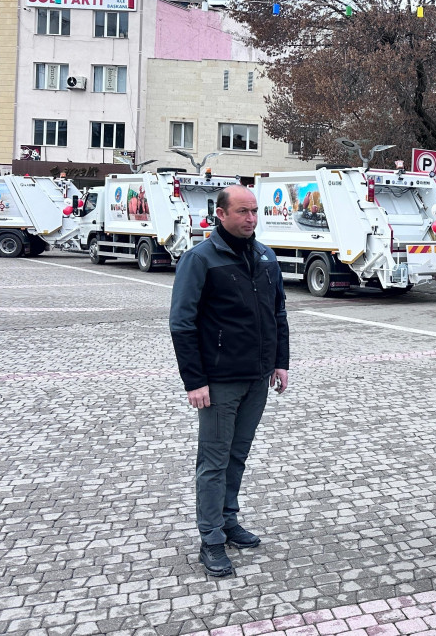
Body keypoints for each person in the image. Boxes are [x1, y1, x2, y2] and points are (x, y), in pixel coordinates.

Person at [169, 185, 290, 577]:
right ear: (220, 214)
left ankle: (228, 519)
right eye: (242, 212)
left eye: (254, 211)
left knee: (237, 456)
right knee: (214, 461)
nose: (250, 219)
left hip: (257, 378)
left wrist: (279, 362)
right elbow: (182, 323)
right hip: (218, 381)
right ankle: (211, 538)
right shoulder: (200, 259)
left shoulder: (265, 256)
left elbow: (278, 314)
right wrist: (195, 381)